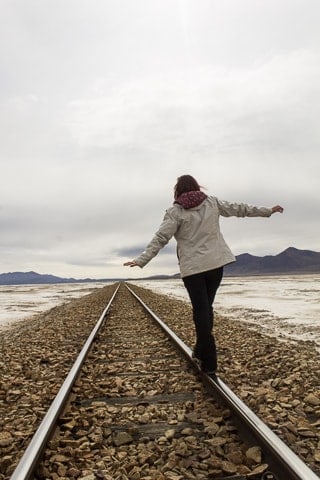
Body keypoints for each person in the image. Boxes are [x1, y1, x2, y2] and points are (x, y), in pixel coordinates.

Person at [124, 175, 284, 375]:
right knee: (206, 309)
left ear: (177, 191)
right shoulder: (212, 203)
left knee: (201, 310)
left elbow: (161, 237)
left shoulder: (175, 211)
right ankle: (200, 351)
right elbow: (240, 209)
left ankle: (209, 362)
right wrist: (267, 211)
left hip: (193, 269)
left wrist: (142, 259)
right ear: (197, 187)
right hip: (215, 265)